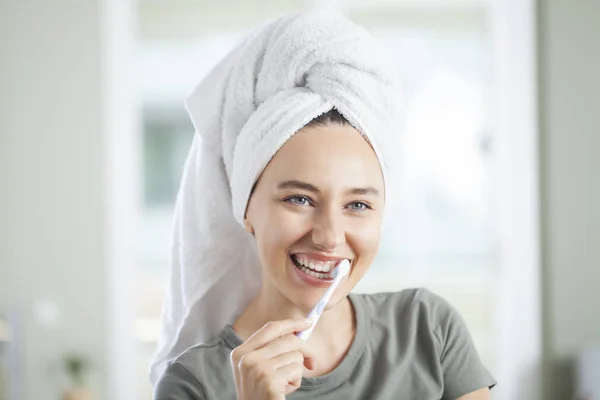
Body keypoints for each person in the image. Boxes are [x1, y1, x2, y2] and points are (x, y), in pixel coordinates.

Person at [151, 10, 496, 400]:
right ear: (246, 207)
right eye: (299, 199)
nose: (330, 237)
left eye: (359, 205)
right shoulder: (194, 384)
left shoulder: (427, 331)